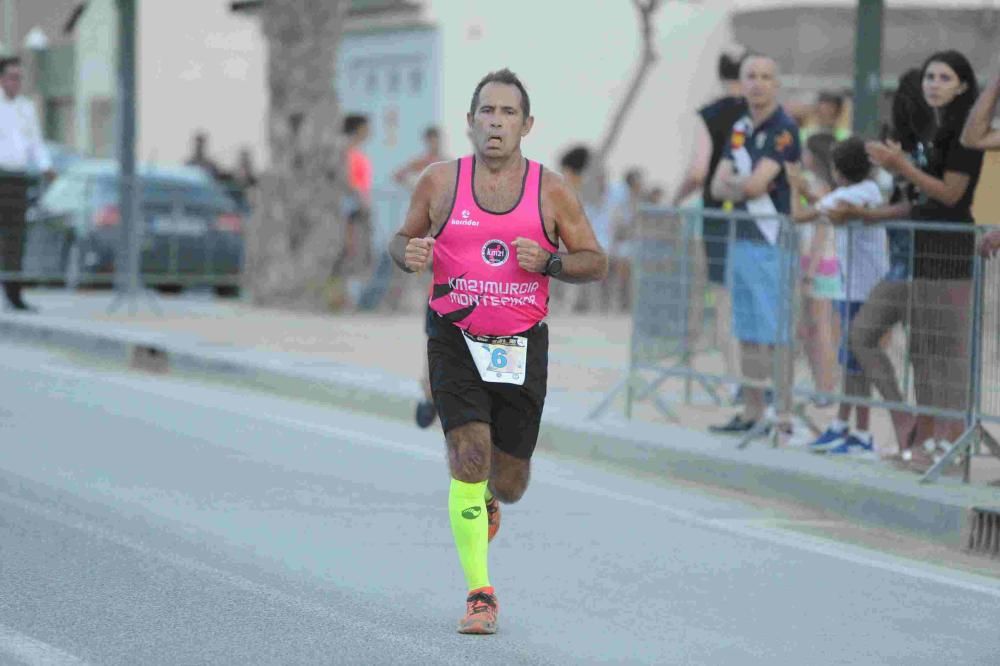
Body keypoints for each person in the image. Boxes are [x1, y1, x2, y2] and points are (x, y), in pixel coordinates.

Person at [388, 68, 607, 635]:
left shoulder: (551, 189)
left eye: (508, 113)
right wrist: (408, 253)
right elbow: (401, 238)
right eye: (487, 111)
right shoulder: (439, 182)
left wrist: (552, 263)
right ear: (470, 122)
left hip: (520, 344)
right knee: (467, 455)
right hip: (453, 336)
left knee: (508, 482)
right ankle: (480, 594)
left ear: (527, 125)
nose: (496, 123)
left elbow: (596, 260)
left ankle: (488, 496)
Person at [835, 50, 983, 468]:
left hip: (950, 251)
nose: (933, 84)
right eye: (930, 77)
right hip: (923, 251)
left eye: (944, 77)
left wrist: (901, 165)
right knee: (923, 351)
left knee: (946, 354)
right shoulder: (938, 134)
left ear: (963, 85)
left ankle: (950, 442)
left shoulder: (963, 134)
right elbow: (918, 202)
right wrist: (869, 210)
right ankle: (926, 438)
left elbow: (952, 195)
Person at [830, 69, 931, 458]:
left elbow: (930, 203)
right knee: (862, 336)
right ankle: (903, 421)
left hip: (932, 267)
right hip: (899, 267)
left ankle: (926, 439)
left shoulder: (931, 149)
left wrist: (873, 214)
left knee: (923, 354)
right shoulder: (900, 150)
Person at [708, 54, 801, 438]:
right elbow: (715, 186)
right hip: (741, 239)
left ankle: (782, 416)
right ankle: (752, 412)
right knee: (746, 330)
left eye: (766, 76)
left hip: (771, 242)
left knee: (774, 333)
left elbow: (752, 186)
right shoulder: (741, 128)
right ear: (741, 82)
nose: (758, 83)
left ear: (776, 83)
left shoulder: (784, 129)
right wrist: (738, 184)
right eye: (751, 76)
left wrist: (738, 184)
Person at [790, 138, 887, 456]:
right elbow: (824, 201)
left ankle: (856, 431)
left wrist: (794, 187)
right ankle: (847, 427)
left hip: (859, 291)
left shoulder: (845, 196)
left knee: (855, 363)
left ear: (837, 170)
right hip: (869, 288)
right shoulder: (870, 191)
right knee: (854, 364)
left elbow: (799, 215)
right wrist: (808, 190)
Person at [672, 51, 747, 394]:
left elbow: (699, 170)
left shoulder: (711, 114)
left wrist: (676, 198)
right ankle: (761, 384)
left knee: (724, 300)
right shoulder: (761, 114)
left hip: (719, 217)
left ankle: (736, 380)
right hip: (760, 219)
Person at [392, 126, 448, 429]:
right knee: (434, 342)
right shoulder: (422, 166)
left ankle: (437, 394)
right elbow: (397, 177)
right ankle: (429, 395)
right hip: (435, 280)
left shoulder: (447, 169)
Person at [0, 56, 53, 312]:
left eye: (19, 77)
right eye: (12, 76)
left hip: (17, 179)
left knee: (15, 238)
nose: (16, 82)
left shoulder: (26, 108)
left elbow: (35, 143)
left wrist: (45, 166)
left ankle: (14, 294)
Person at [794, 133, 840, 407]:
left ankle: (826, 387)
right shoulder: (815, 186)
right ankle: (821, 385)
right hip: (811, 260)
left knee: (820, 328)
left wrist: (810, 269)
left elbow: (822, 230)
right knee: (809, 328)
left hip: (820, 263)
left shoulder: (821, 188)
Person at [334, 114, 373, 306]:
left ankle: (348, 297)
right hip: (351, 209)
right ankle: (345, 298)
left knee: (356, 252)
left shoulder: (355, 151)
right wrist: (362, 200)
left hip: (357, 208)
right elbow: (349, 180)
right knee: (350, 251)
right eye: (366, 128)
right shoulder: (346, 151)